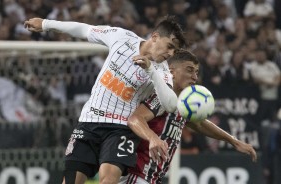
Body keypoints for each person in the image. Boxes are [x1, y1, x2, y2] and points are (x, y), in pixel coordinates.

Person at [24, 16, 186, 184]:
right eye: (170, 46)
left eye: (175, 51)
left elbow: (171, 104)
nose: (171, 54)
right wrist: (45, 24)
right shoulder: (122, 37)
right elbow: (85, 29)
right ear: (155, 37)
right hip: (89, 121)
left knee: (108, 180)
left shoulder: (162, 72)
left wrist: (150, 70)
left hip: (121, 129)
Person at [119, 49, 257, 184]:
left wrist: (234, 141)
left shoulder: (182, 103)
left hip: (150, 177)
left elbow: (199, 124)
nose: (195, 77)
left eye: (196, 72)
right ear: (171, 72)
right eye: (189, 70)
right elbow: (135, 119)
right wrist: (153, 138)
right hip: (136, 175)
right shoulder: (162, 96)